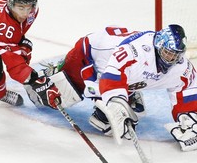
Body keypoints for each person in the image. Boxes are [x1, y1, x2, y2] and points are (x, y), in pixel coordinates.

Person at [35, 25, 197, 151]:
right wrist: (115, 103)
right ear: (158, 45)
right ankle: (54, 73)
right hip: (89, 55)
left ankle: (119, 100)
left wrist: (188, 116)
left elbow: (189, 84)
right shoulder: (136, 51)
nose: (171, 58)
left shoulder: (180, 64)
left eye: (176, 55)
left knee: (135, 111)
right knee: (55, 96)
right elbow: (111, 76)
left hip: (121, 71)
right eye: (168, 53)